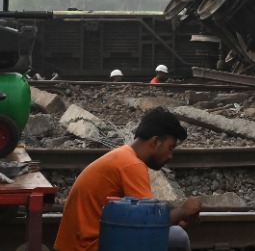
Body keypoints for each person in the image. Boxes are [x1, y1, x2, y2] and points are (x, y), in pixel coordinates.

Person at [54, 107, 202, 251]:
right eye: (170, 148)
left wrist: (175, 217)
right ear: (155, 142)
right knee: (178, 238)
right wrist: (182, 211)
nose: (170, 156)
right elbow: (149, 223)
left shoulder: (123, 156)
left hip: (81, 243)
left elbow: (142, 214)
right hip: (90, 246)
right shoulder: (132, 165)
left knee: (173, 232)